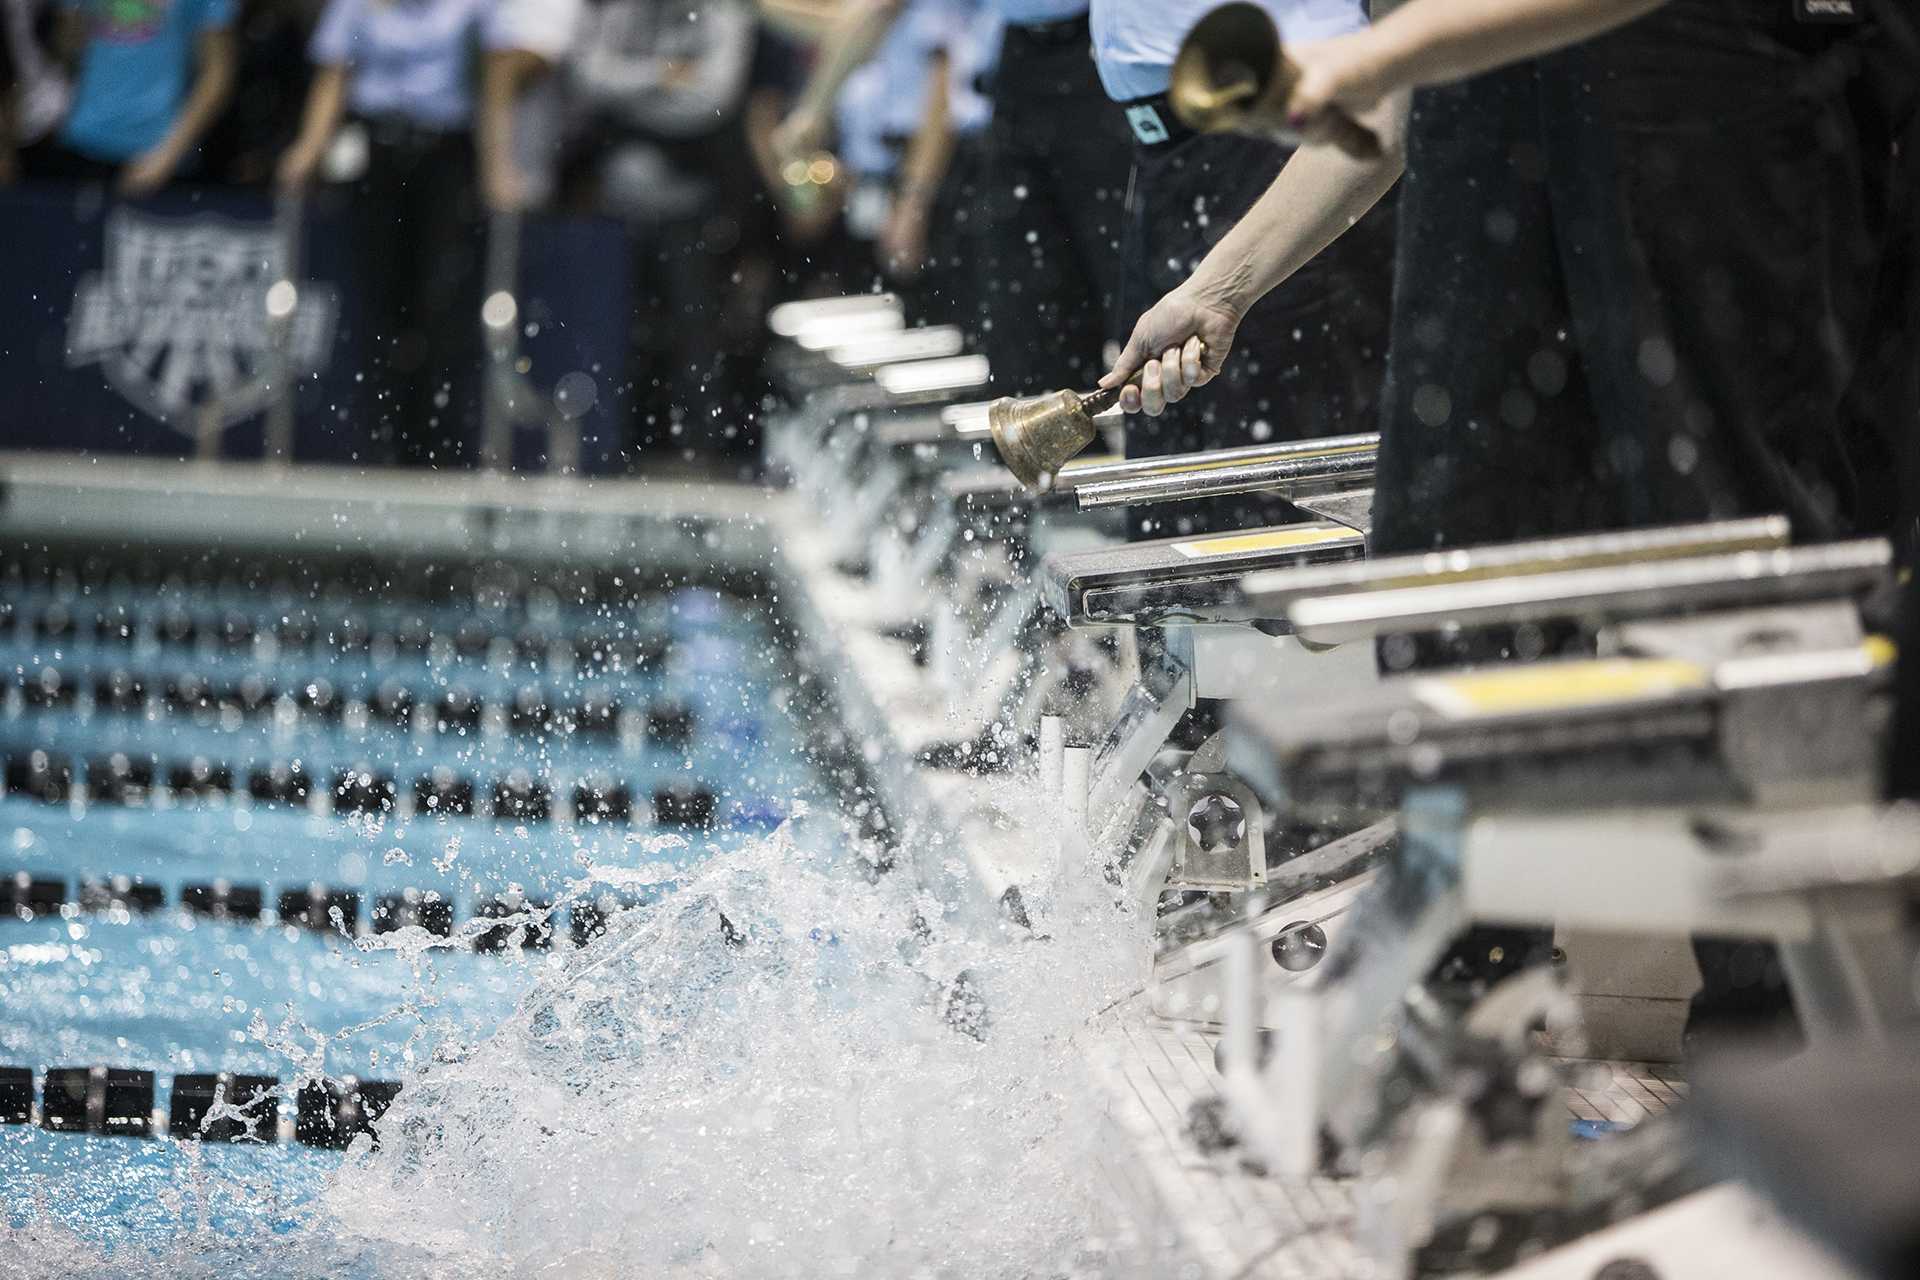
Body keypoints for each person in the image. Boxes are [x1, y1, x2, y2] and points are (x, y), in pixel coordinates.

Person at [1109, 0, 1919, 1043]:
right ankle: (1477, 1035)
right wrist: (1223, 287)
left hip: (1705, 50)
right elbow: (1402, 96)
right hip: (1484, 65)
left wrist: (1385, 48)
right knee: (1451, 562)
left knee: (1726, 555)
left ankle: (1787, 1055)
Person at [1088, 0, 1396, 538]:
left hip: (1297, 138)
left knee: (1290, 521)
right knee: (1169, 529)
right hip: (1164, 154)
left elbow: (1397, 95)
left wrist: (1224, 287)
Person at [279, 0, 544, 466]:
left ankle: (433, 442)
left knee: (439, 302)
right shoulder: (356, 6)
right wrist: (308, 148)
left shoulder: (475, 7)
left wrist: (497, 167)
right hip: (376, 155)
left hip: (444, 156)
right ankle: (378, 437)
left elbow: (494, 85)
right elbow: (334, 77)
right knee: (378, 301)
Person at [30, 0, 237, 194]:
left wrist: (168, 154)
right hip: (81, 142)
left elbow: (218, 72)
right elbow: (67, 44)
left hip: (160, 151)